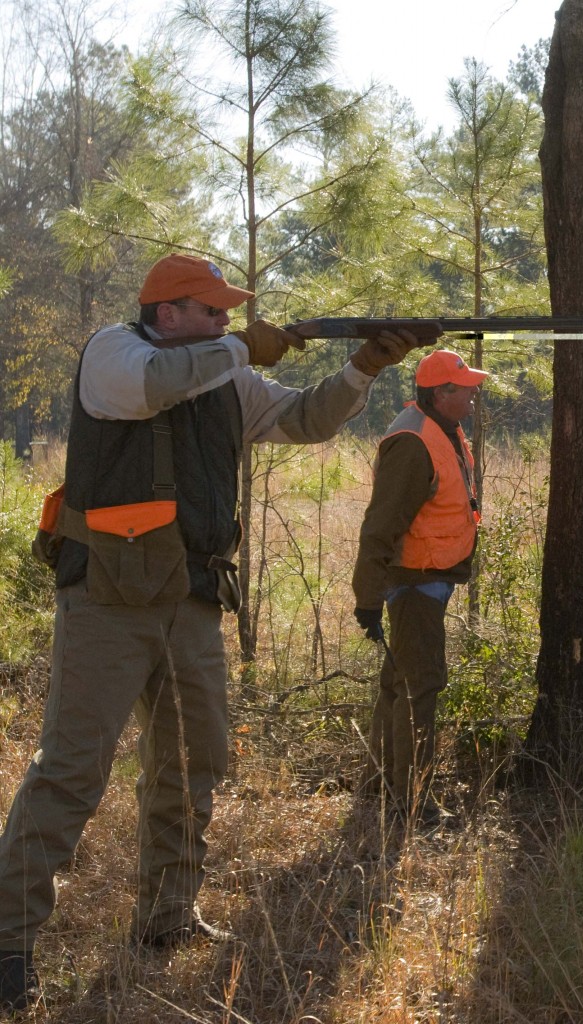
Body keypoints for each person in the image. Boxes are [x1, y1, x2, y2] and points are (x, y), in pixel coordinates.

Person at [0, 252, 421, 1012]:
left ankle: (166, 918)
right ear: (167, 314)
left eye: (229, 315)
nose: (227, 322)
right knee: (71, 771)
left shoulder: (226, 375)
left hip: (190, 595)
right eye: (212, 311)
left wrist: (362, 366)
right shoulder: (113, 353)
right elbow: (155, 387)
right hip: (108, 597)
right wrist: (241, 348)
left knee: (193, 765)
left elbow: (305, 418)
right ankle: (6, 941)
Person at [352, 348, 488, 827]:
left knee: (398, 685)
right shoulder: (413, 443)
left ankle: (377, 786)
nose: (473, 393)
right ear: (439, 393)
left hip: (427, 579)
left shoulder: (440, 428)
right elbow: (381, 525)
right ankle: (412, 803)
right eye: (464, 387)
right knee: (420, 687)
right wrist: (367, 599)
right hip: (414, 585)